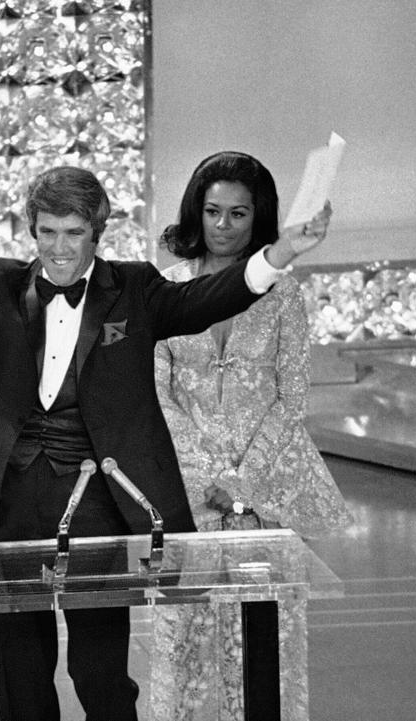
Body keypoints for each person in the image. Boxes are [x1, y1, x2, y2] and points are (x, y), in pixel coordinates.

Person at [0, 164, 329, 721]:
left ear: (97, 232)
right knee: (20, 675)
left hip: (96, 502)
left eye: (73, 233)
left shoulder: (134, 289)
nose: (58, 248)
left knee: (100, 673)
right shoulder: (1, 283)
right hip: (10, 502)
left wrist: (280, 254)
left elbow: (208, 298)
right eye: (47, 232)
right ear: (32, 230)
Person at [149, 151, 353, 720]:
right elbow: (155, 394)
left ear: (257, 217)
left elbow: (292, 399)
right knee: (185, 644)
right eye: (212, 210)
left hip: (265, 494)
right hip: (185, 490)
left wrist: (242, 481)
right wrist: (206, 474)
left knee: (263, 644)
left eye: (238, 214)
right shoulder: (163, 289)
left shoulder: (283, 294)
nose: (223, 225)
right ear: (195, 212)